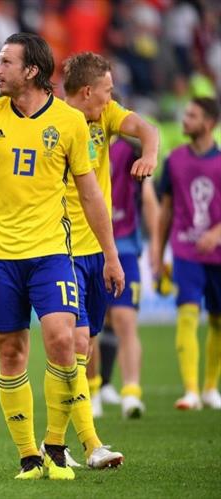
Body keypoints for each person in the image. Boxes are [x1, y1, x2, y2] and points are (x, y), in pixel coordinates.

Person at [0, 32, 124, 480]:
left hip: (51, 253)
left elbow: (91, 196)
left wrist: (111, 255)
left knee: (64, 341)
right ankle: (29, 456)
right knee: (10, 353)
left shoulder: (69, 122)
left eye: (6, 62)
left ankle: (57, 446)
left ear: (31, 71)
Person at [60, 51, 158, 465]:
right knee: (76, 340)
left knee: (85, 342)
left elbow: (147, 129)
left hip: (98, 248)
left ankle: (55, 442)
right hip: (59, 247)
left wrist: (149, 154)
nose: (112, 97)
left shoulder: (106, 117)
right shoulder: (53, 123)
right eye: (107, 90)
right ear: (87, 91)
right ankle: (85, 443)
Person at [153, 96, 221, 411]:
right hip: (185, 249)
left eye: (192, 115)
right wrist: (157, 253)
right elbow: (165, 210)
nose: (185, 119)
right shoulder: (174, 160)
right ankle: (191, 391)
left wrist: (216, 234)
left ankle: (210, 388)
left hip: (217, 254)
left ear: (209, 123)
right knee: (187, 313)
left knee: (217, 321)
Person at [98, 137, 160, 419]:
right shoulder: (77, 136)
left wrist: (156, 245)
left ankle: (131, 393)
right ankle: (93, 390)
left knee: (124, 319)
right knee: (92, 325)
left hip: (124, 247)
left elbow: (148, 199)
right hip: (88, 246)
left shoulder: (130, 147)